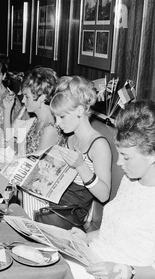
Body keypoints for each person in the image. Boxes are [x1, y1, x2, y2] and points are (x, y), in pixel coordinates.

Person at [66, 99, 155, 279]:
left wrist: (121, 271)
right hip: (93, 263)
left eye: (126, 156)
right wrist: (85, 238)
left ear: (150, 155)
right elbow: (118, 234)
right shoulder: (131, 181)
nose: (118, 162)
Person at [45, 75, 112, 221]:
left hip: (69, 215)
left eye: (61, 117)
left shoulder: (98, 144)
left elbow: (104, 195)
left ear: (80, 111)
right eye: (55, 117)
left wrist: (81, 166)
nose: (57, 123)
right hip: (53, 203)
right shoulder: (70, 138)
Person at [17, 66, 63, 154]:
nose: (23, 100)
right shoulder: (37, 120)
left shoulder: (50, 129)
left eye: (27, 96)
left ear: (42, 97)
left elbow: (36, 164)